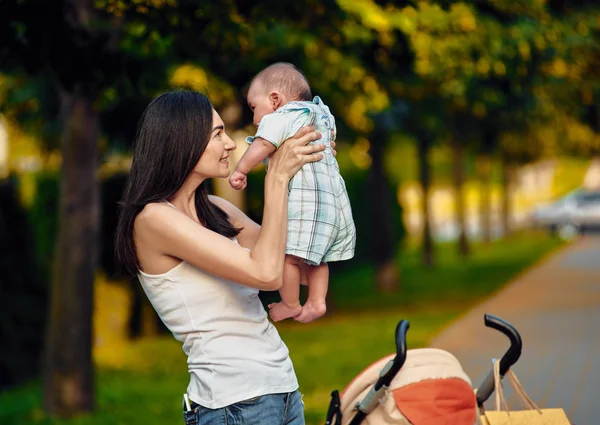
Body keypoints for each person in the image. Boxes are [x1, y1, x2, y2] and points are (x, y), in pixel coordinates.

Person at [114, 90, 334, 424]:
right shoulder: (153, 220)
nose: (230, 144)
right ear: (182, 142)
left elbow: (302, 266)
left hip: (283, 391)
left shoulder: (217, 210)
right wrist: (276, 177)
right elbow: (267, 275)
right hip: (235, 404)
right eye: (217, 134)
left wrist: (309, 174)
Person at [229, 63, 356, 323]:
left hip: (306, 204)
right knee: (318, 258)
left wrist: (241, 169)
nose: (254, 119)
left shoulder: (283, 116)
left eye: (254, 108)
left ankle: (290, 303)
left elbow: (263, 144)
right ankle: (318, 302)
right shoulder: (320, 115)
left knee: (288, 257)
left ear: (275, 100)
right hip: (334, 205)